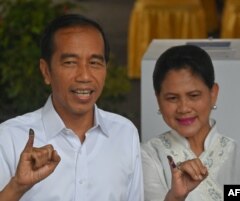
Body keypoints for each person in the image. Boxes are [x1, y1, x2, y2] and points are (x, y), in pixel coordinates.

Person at [0, 14, 144, 201]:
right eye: (70, 62)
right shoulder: (9, 138)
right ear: (46, 71)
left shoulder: (125, 134)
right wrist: (17, 187)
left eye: (94, 63)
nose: (84, 76)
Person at [141, 44, 240, 201]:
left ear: (213, 93)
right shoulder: (149, 155)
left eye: (193, 95)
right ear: (158, 99)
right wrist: (175, 197)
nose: (184, 108)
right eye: (172, 98)